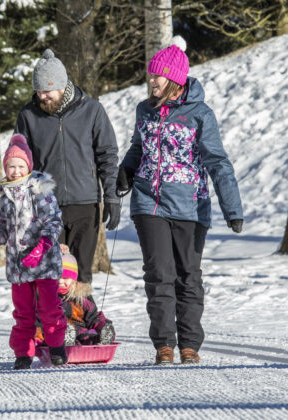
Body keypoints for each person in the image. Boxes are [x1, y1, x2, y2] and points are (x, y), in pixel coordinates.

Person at [117, 37, 244, 366]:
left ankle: (190, 344)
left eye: (156, 76)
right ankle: (164, 346)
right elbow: (137, 147)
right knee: (159, 274)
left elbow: (217, 161)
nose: (151, 81)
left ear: (173, 77)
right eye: (150, 76)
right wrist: (126, 171)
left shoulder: (200, 114)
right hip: (148, 202)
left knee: (188, 275)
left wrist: (232, 208)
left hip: (190, 205)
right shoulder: (144, 109)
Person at [14, 48, 120, 294]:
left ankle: (85, 326)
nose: (42, 96)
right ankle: (55, 330)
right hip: (47, 207)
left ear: (62, 86)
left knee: (80, 275)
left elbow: (107, 155)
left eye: (47, 90)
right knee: (53, 274)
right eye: (39, 90)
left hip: (86, 204)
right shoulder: (28, 115)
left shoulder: (92, 110)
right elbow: (19, 160)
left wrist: (112, 196)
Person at [0, 133, 68, 369]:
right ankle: (23, 354)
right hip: (19, 266)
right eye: (10, 166)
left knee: (49, 310)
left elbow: (54, 222)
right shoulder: (5, 198)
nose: (15, 171)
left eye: (20, 166)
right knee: (23, 313)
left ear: (28, 166)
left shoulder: (40, 191)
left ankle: (56, 348)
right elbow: (5, 228)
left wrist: (42, 247)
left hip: (44, 263)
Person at [35, 247, 115, 347]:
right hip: (52, 335)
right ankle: (64, 338)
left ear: (73, 280)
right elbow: (37, 320)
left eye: (65, 278)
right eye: (56, 277)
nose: (60, 281)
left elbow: (94, 317)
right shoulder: (44, 300)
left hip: (79, 333)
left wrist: (102, 326)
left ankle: (103, 337)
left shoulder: (80, 299)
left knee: (88, 335)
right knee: (42, 333)